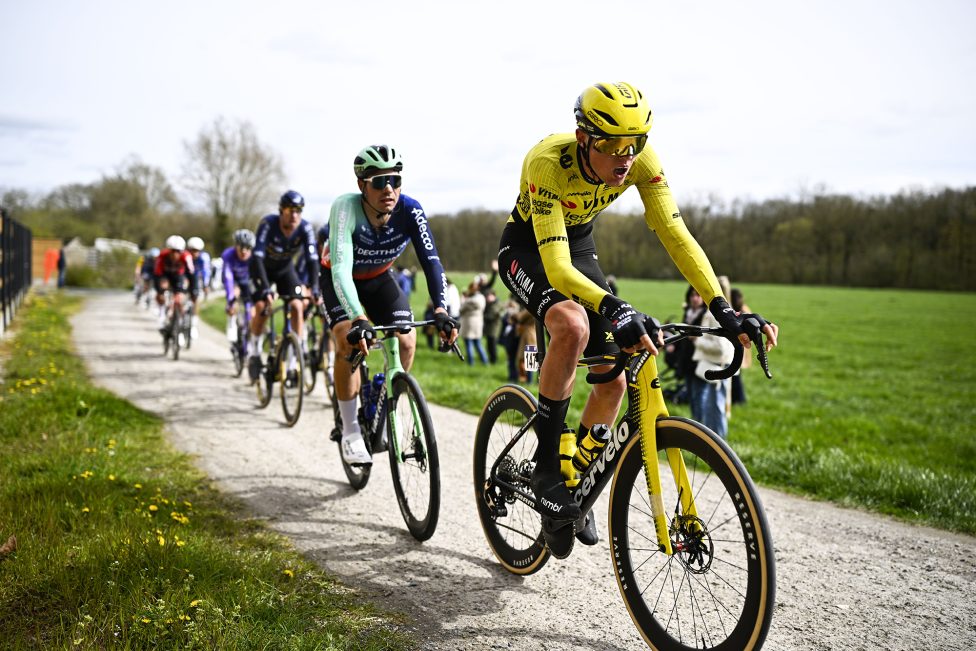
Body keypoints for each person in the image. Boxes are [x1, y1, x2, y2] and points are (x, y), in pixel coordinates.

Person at [496, 81, 778, 553]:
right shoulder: (547, 163)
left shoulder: (640, 162)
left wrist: (724, 311)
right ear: (584, 137)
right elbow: (558, 269)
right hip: (529, 248)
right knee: (572, 324)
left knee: (615, 380)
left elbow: (674, 232)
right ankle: (547, 464)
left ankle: (575, 477)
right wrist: (614, 305)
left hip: (578, 243)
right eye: (612, 145)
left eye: (636, 143)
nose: (625, 158)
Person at [322, 144, 458, 466]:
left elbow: (432, 263)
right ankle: (351, 429)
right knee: (347, 340)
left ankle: (385, 390)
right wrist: (357, 316)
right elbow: (341, 268)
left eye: (395, 181)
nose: (389, 189)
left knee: (407, 340)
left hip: (380, 277)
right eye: (379, 182)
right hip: (340, 279)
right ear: (362, 186)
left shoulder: (411, 210)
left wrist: (441, 309)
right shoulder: (345, 208)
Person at [247, 190, 322, 382]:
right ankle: (254, 351)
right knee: (262, 306)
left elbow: (313, 259)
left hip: (285, 271)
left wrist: (314, 288)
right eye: (290, 210)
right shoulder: (268, 224)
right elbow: (256, 257)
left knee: (298, 305)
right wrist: (264, 288)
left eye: (298, 211)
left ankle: (292, 362)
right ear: (281, 211)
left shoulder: (304, 228)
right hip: (262, 269)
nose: (294, 215)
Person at [691, 276, 734, 438]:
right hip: (719, 367)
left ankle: (718, 447)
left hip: (716, 368)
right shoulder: (727, 312)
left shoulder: (715, 315)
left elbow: (720, 348)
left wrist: (698, 340)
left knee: (715, 410)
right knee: (715, 409)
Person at [221, 229, 256, 346]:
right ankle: (231, 322)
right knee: (233, 297)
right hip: (234, 280)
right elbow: (228, 276)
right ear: (236, 246)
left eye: (248, 247)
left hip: (248, 282)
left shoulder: (255, 256)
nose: (244, 251)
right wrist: (231, 296)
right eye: (241, 247)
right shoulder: (228, 255)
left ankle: (249, 337)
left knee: (251, 311)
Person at [153, 235, 195, 332]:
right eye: (173, 251)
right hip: (165, 275)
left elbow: (192, 275)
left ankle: (180, 321)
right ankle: (162, 316)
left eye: (178, 251)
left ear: (182, 251)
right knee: (162, 289)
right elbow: (156, 275)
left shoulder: (186, 256)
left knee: (179, 299)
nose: (175, 254)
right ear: (168, 250)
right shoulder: (162, 256)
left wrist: (193, 290)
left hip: (179, 276)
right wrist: (159, 292)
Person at [730, 286, 752, 405]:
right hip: (742, 346)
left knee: (736, 375)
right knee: (736, 374)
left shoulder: (739, 312)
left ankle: (739, 399)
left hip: (739, 346)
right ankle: (738, 399)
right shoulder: (743, 310)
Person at [186, 236, 211, 340]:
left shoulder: (204, 257)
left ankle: (193, 325)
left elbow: (206, 271)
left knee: (196, 299)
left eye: (197, 251)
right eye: (192, 250)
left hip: (197, 279)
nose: (194, 253)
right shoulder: (186, 256)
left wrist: (205, 285)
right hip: (186, 277)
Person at [459, 280, 489, 365]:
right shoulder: (482, 298)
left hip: (468, 322)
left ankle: (471, 362)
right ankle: (485, 361)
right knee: (478, 343)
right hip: (478, 322)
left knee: (469, 343)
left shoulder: (469, 300)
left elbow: (461, 310)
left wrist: (464, 300)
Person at [482, 288, 504, 364]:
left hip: (494, 328)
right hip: (489, 328)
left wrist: (482, 316)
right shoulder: (490, 304)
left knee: (492, 345)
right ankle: (491, 359)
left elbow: (491, 315)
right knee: (489, 345)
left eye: (489, 296)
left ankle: (494, 360)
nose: (487, 298)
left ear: (493, 296)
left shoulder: (496, 304)